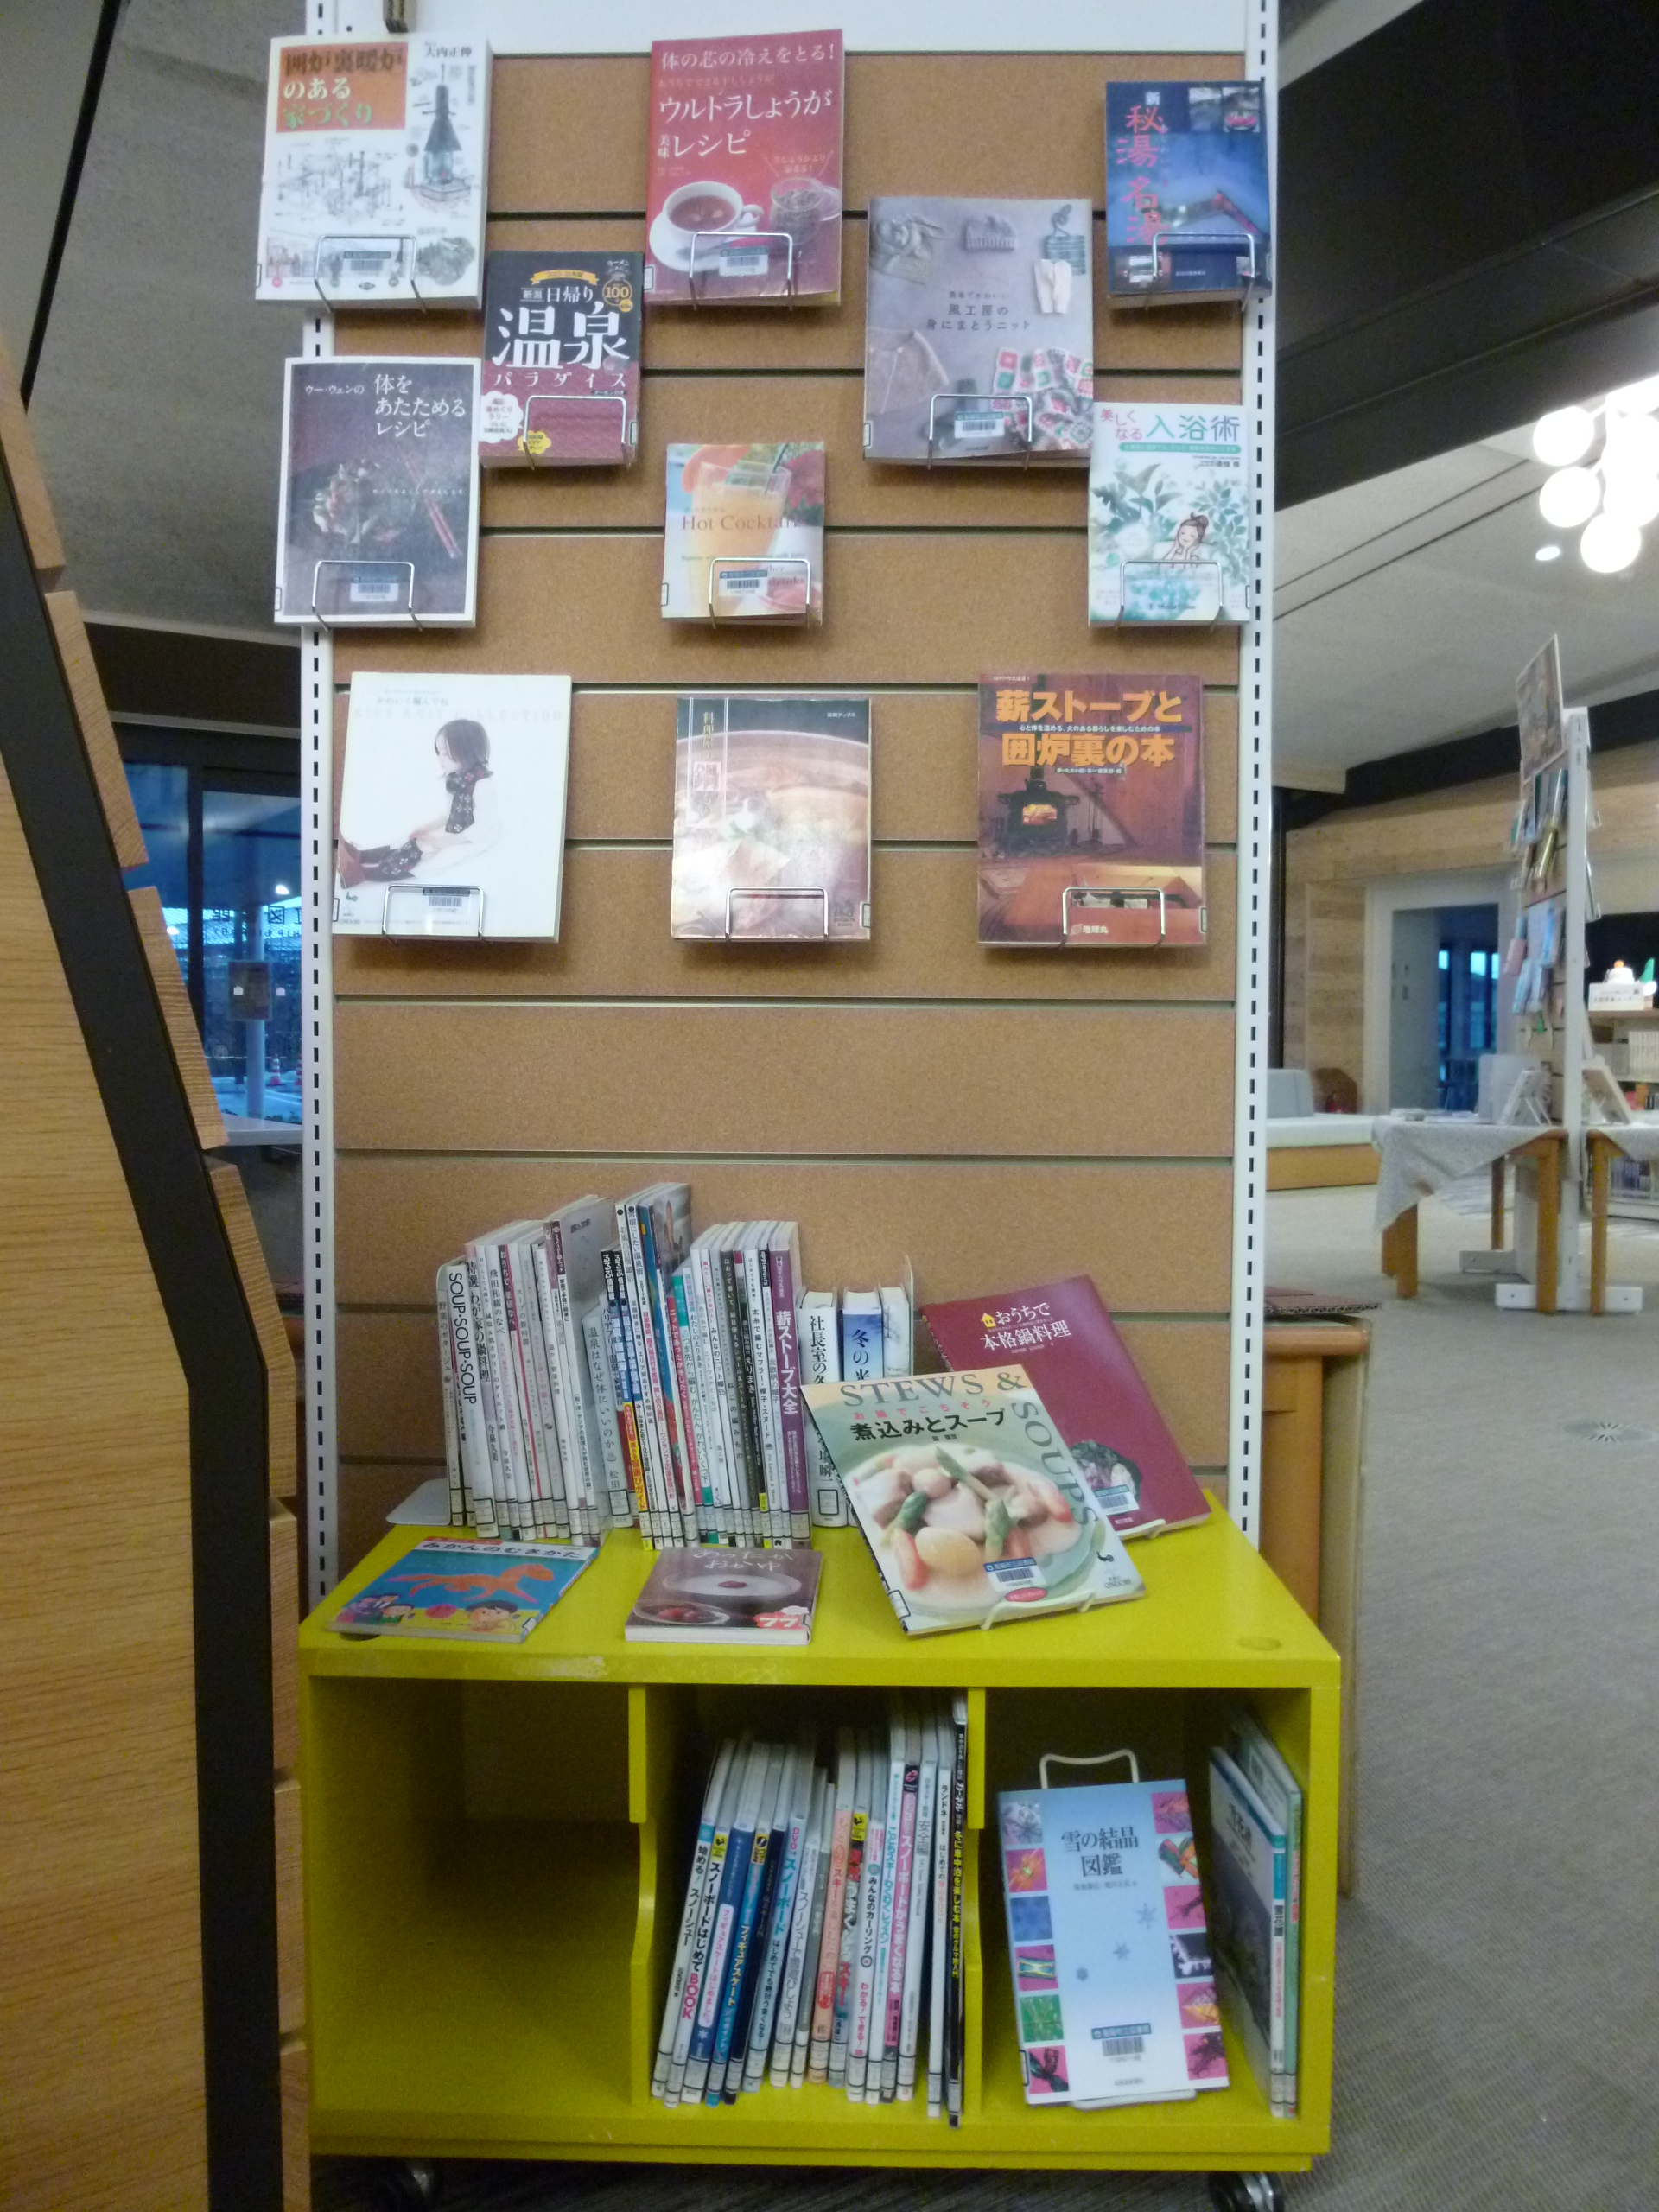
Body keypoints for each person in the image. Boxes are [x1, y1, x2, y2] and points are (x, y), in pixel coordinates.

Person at [337, 716, 499, 885]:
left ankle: (365, 874)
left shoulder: (483, 786)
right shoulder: (456, 781)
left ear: (466, 752)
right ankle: (362, 856)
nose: (440, 758)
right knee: (411, 840)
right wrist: (426, 828)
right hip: (456, 829)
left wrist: (443, 841)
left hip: (474, 838)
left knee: (433, 858)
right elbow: (448, 814)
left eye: (445, 753)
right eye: (439, 752)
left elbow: (480, 829)